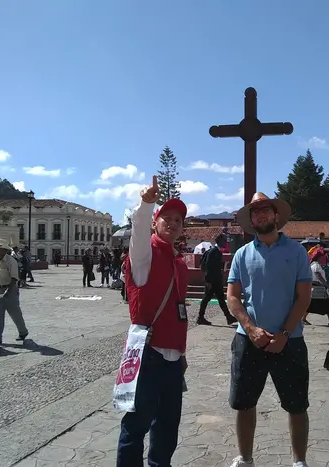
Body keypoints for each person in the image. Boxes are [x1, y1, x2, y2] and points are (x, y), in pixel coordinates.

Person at [226, 192, 312, 467]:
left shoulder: (297, 252)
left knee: (297, 405)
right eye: (255, 211)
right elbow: (232, 297)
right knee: (244, 403)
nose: (261, 214)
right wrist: (250, 328)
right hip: (249, 340)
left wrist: (284, 333)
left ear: (276, 215)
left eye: (265, 209)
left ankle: (299, 461)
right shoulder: (242, 255)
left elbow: (304, 297)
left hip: (290, 340)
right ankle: (245, 458)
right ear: (251, 220)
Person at [116, 176, 190, 467]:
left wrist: (181, 354)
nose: (172, 223)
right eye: (166, 218)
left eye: (178, 220)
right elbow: (138, 232)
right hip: (148, 353)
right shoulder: (144, 255)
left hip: (172, 358)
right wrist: (146, 204)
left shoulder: (178, 261)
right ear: (155, 223)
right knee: (137, 425)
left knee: (168, 426)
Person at [0, 239, 29, 344]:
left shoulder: (11, 261)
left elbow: (14, 278)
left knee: (15, 313)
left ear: (3, 250)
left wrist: (9, 290)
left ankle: (23, 331)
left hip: (10, 289)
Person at [197, 233, 237, 326]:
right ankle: (200, 317)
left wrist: (222, 265)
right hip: (212, 281)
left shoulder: (215, 251)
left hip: (216, 280)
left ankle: (228, 317)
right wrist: (208, 281)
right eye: (224, 241)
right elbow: (208, 266)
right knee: (206, 298)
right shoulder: (214, 251)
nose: (226, 243)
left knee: (220, 298)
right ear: (220, 241)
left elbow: (213, 265)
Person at [304, 246, 329, 326]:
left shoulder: (315, 265)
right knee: (316, 304)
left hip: (317, 288)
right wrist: (327, 285)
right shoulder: (316, 265)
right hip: (318, 287)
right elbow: (319, 276)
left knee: (323, 303)